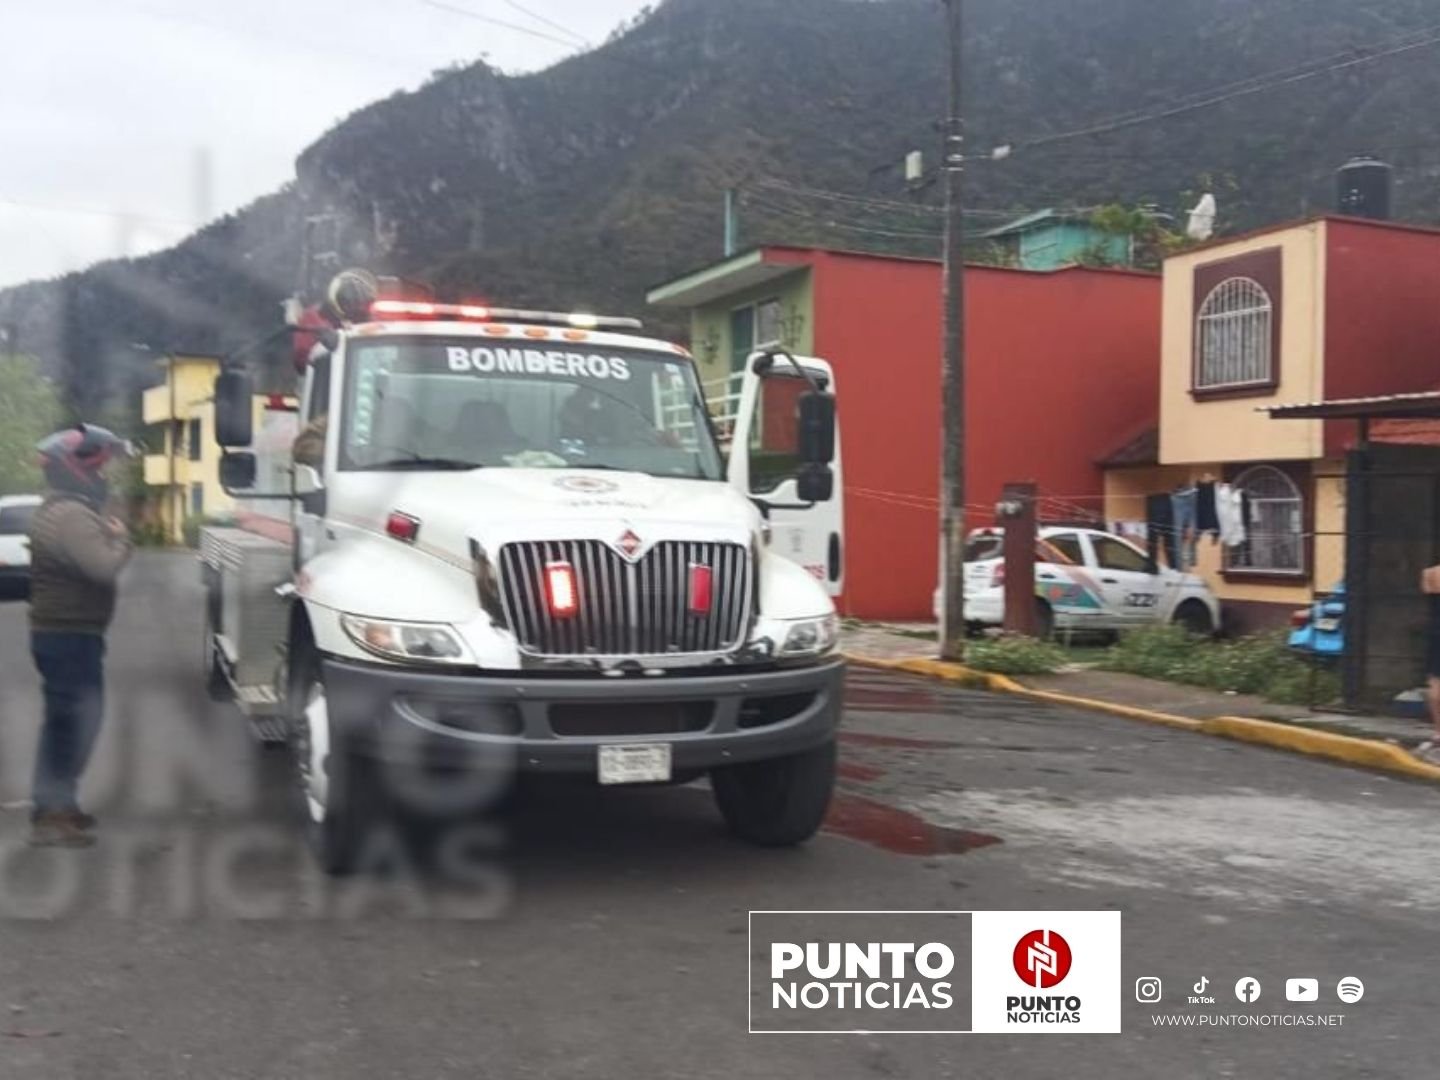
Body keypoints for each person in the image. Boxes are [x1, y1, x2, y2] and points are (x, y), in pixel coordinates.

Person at [26, 424, 135, 847]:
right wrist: (122, 540)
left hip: (64, 635)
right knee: (74, 724)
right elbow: (102, 567)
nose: (106, 475)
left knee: (64, 723)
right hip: (69, 636)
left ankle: (57, 805)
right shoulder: (71, 515)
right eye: (102, 466)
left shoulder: (60, 509)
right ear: (78, 469)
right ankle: (52, 816)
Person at [1421, 563, 1440, 764]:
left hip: (1437, 632)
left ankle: (1438, 731)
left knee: (1435, 681)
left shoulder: (1430, 573)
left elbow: (1426, 590)